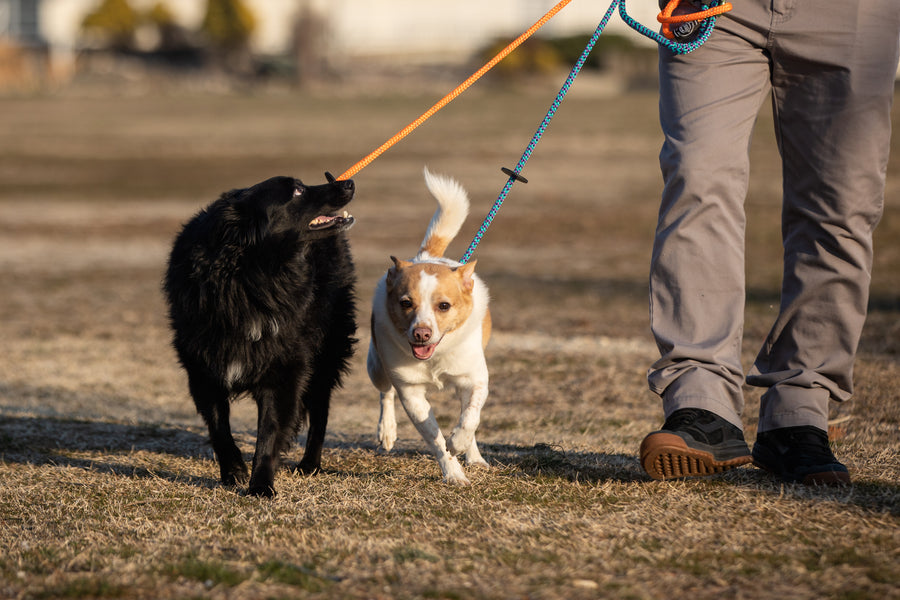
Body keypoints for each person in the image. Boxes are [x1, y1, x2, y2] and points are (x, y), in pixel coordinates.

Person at [639, 0, 900, 485]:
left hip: (852, 13)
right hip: (715, 11)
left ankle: (799, 412)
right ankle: (702, 403)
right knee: (698, 178)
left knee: (840, 204)